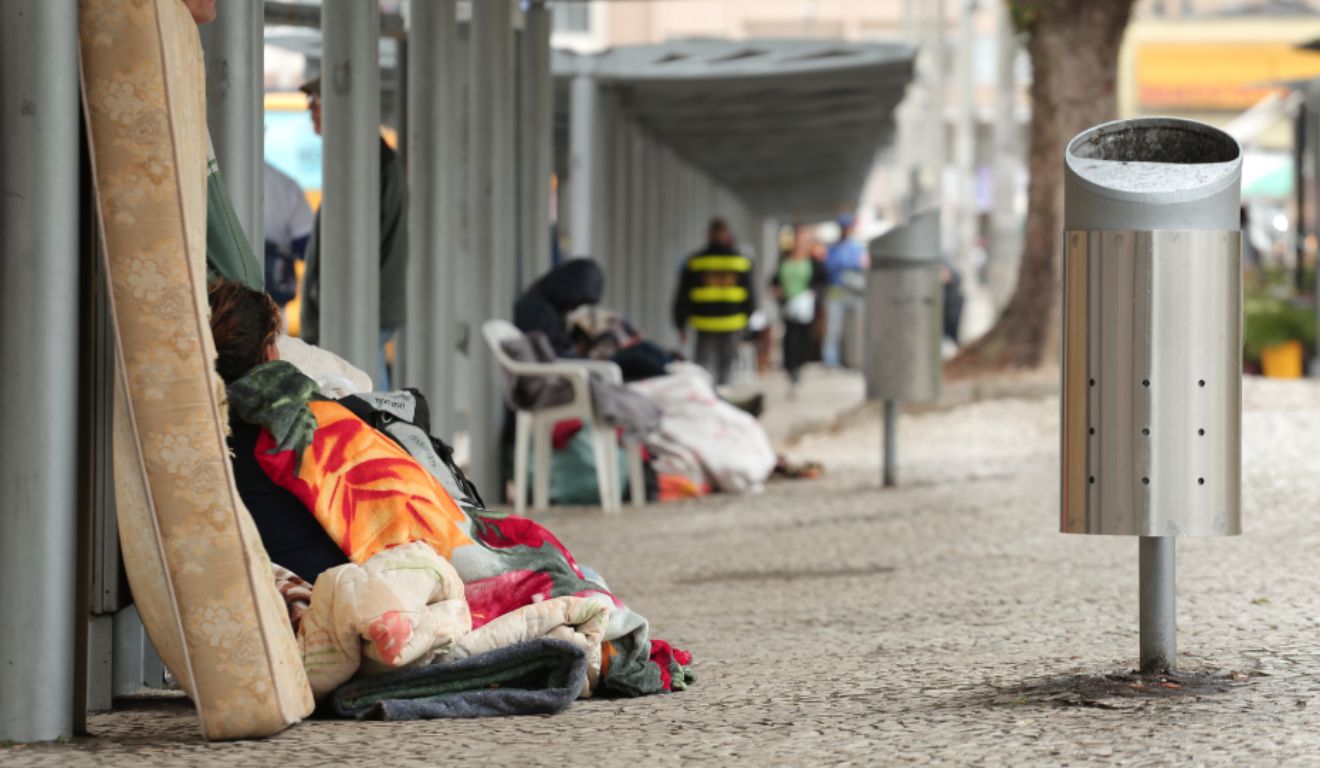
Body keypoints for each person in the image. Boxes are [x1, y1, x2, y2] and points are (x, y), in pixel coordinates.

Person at [206, 278, 692, 696]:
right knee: (539, 558)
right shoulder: (313, 423)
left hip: (326, 580)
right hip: (370, 577)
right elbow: (412, 513)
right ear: (271, 349)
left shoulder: (211, 440)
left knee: (549, 565)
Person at [297, 77, 409, 389]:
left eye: (317, 102)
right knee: (366, 396)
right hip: (363, 307)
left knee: (364, 400)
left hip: (359, 309)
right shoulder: (365, 157)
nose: (311, 111)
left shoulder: (364, 162)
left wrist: (325, 301)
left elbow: (353, 249)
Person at [672, 218, 757, 386]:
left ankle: (707, 403)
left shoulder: (695, 261)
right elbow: (751, 296)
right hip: (732, 325)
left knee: (703, 370)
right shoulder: (740, 261)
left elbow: (683, 296)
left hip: (705, 325)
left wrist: (680, 324)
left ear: (708, 236)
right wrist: (748, 321)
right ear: (727, 236)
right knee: (726, 371)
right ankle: (722, 403)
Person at [771, 226, 828, 391]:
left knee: (803, 336)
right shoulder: (784, 259)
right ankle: (790, 367)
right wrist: (776, 289)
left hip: (805, 305)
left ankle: (799, 365)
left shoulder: (814, 262)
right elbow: (775, 278)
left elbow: (822, 281)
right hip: (788, 303)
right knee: (790, 335)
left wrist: (814, 294)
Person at [513, 258, 604, 358]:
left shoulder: (549, 304)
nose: (575, 308)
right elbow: (551, 355)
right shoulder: (537, 311)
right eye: (577, 302)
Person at [263, 161, 314, 310]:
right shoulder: (284, 185)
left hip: (216, 303)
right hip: (271, 304)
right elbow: (307, 248)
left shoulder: (204, 176)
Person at [821, 213, 869, 368]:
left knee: (856, 330)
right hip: (836, 292)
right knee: (833, 330)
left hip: (854, 293)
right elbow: (829, 267)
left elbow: (862, 265)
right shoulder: (833, 249)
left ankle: (854, 359)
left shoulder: (857, 248)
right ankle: (831, 360)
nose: (846, 230)